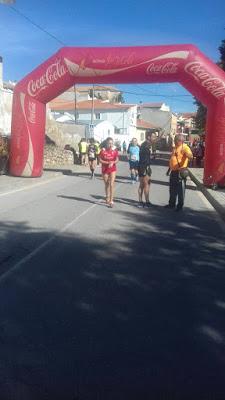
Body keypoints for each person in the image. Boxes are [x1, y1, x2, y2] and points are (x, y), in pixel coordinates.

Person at [165, 134, 193, 211]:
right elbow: (172, 159)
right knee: (172, 189)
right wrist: (169, 170)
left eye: (175, 140)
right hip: (173, 172)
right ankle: (171, 204)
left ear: (180, 140)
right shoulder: (175, 148)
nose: (174, 141)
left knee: (181, 190)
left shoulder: (185, 147)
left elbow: (190, 156)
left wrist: (188, 155)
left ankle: (180, 206)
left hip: (180, 172)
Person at [137, 132, 156, 208]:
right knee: (145, 184)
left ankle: (141, 202)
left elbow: (145, 156)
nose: (154, 138)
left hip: (145, 166)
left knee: (143, 184)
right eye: (153, 136)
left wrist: (151, 157)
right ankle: (145, 202)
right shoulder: (146, 144)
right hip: (144, 167)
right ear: (148, 137)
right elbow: (143, 157)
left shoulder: (145, 144)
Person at [99, 137, 119, 208]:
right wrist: (108, 162)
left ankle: (111, 201)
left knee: (111, 184)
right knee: (107, 184)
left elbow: (117, 159)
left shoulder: (115, 150)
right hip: (105, 169)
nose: (110, 145)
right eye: (109, 143)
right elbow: (100, 160)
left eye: (112, 143)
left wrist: (113, 162)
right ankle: (107, 196)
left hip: (112, 169)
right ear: (106, 144)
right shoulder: (103, 150)